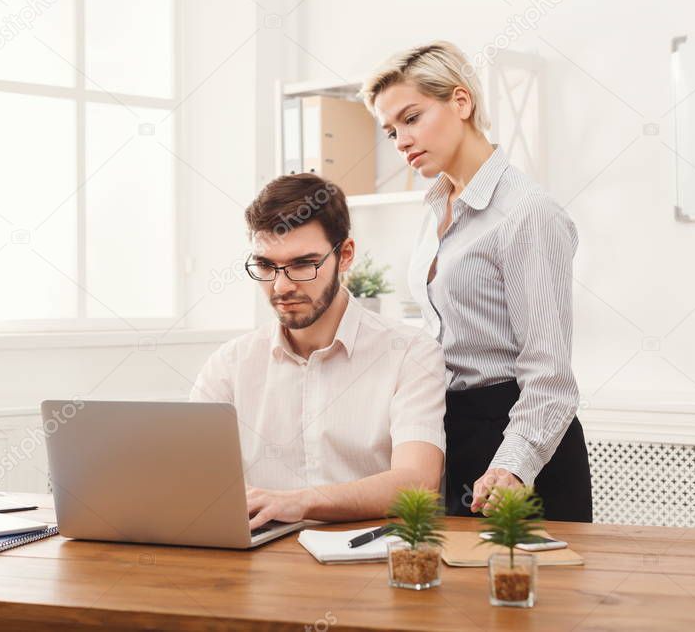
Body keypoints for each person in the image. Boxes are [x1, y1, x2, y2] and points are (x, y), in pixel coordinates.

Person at [360, 40, 592, 522]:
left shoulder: (527, 213)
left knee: (537, 595)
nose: (400, 141)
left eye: (411, 118)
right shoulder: (436, 207)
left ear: (461, 102)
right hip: (454, 430)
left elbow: (550, 377)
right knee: (455, 595)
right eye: (390, 131)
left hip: (519, 441)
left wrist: (512, 467)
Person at [190, 173, 447, 532]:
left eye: (302, 264)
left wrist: (299, 502)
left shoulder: (410, 353)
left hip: (370, 559)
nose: (282, 286)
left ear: (345, 256)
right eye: (265, 265)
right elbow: (190, 479)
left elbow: (418, 483)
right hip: (260, 564)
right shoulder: (229, 365)